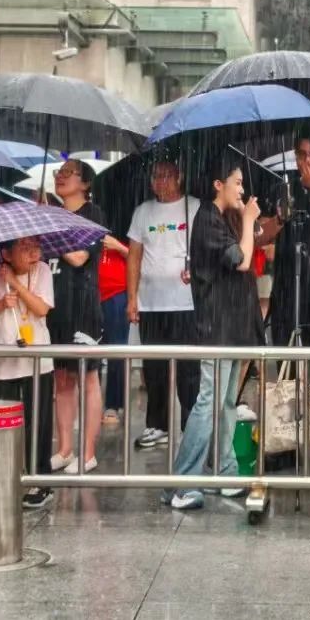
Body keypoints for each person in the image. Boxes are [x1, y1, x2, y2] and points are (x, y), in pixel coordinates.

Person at [164, 157, 264, 510]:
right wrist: (249, 222)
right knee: (208, 402)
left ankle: (225, 472)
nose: (242, 189)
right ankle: (184, 482)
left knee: (225, 403)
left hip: (233, 328)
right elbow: (241, 260)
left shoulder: (218, 219)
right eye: (236, 182)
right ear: (218, 185)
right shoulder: (207, 220)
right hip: (217, 329)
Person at [258, 129, 310, 473]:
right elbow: (261, 236)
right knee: (288, 373)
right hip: (289, 291)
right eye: (301, 154)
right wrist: (280, 218)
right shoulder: (284, 186)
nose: (306, 161)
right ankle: (286, 442)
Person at [0, 236, 55, 508]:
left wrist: (16, 284)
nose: (33, 253)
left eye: (36, 246)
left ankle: (40, 479)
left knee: (38, 421)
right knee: (5, 422)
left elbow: (42, 309)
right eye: (25, 248)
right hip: (4, 360)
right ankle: (6, 477)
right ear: (6, 253)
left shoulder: (42, 270)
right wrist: (0, 304)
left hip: (37, 359)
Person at [127, 160, 201, 449]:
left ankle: (190, 426)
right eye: (156, 176)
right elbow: (134, 255)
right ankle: (157, 425)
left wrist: (196, 268)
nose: (161, 182)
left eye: (167, 176)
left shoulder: (194, 207)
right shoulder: (143, 212)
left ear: (180, 177)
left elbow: (205, 247)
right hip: (151, 304)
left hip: (186, 303)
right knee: (155, 369)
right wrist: (132, 297)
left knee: (188, 370)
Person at [47, 160, 106, 474]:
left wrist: (52, 228)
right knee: (62, 379)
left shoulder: (92, 215)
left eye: (68, 173)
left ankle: (88, 453)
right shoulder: (49, 215)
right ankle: (65, 449)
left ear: (85, 184)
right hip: (56, 307)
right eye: (58, 173)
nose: (61, 177)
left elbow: (79, 257)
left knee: (87, 377)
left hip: (83, 307)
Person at [99, 234, 129, 424]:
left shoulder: (125, 229)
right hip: (92, 294)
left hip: (117, 294)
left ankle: (114, 403)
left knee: (116, 350)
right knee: (88, 349)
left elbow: (139, 258)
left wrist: (118, 246)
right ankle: (90, 402)